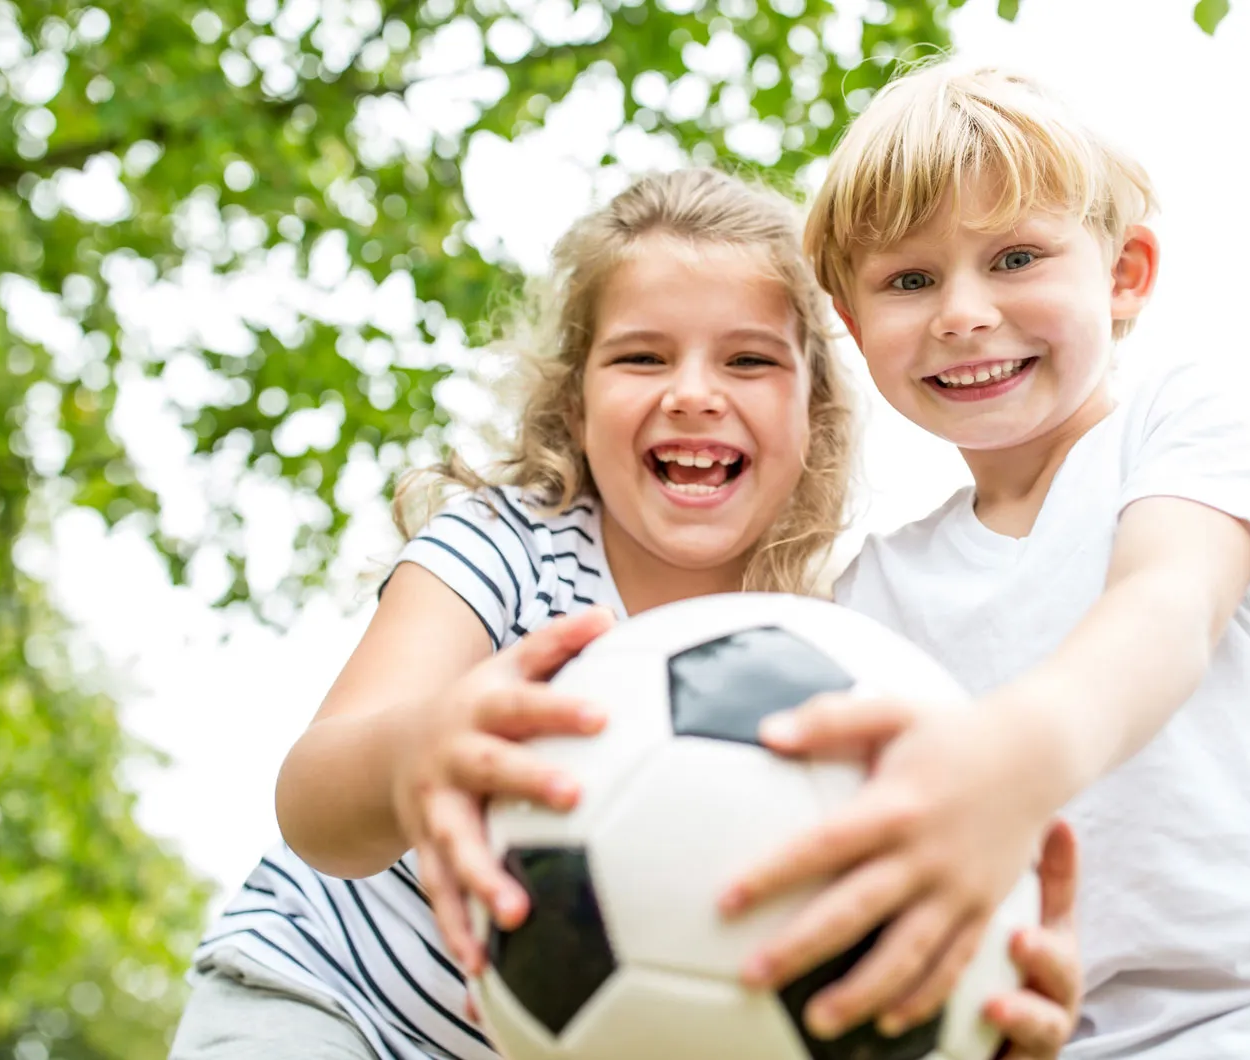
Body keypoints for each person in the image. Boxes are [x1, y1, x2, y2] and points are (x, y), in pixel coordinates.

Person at [168, 168, 1082, 1060]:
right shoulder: (506, 546)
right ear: (576, 402)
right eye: (642, 356)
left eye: (750, 360)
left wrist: (962, 1009)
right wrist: (421, 752)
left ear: (816, 410)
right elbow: (313, 805)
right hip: (329, 1005)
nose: (692, 391)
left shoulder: (819, 654)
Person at [714, 63, 1250, 1060]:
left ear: (1124, 272)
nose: (962, 311)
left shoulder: (1179, 422)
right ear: (851, 318)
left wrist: (1008, 762)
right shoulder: (866, 595)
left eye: (1014, 258)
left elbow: (1166, 607)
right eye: (909, 279)